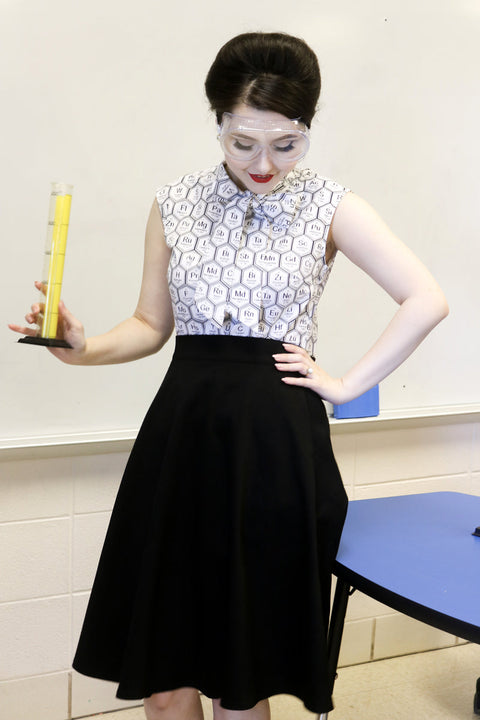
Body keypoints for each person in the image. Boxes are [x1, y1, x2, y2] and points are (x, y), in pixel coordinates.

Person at [9, 31, 448, 720]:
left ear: (306, 129)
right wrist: (82, 347)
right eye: (243, 142)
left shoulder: (330, 205)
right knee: (164, 677)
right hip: (182, 437)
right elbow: (150, 324)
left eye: (287, 144)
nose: (264, 163)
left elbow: (426, 298)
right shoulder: (175, 203)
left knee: (239, 680)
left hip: (275, 444)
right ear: (218, 122)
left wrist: (344, 385)